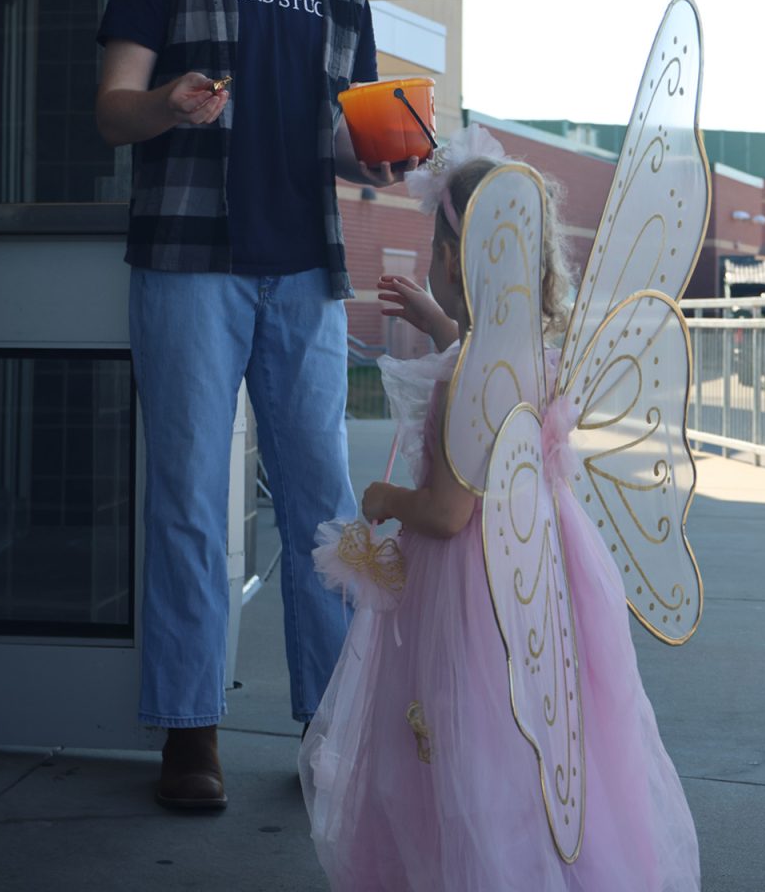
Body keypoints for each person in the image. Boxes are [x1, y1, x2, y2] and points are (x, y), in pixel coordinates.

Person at [96, 0, 416, 810]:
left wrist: (377, 157)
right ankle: (190, 734)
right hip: (188, 260)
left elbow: (339, 134)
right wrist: (168, 104)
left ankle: (328, 729)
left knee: (322, 508)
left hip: (302, 269)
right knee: (189, 500)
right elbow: (113, 109)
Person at [298, 128, 701, 890]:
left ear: (456, 259)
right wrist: (441, 327)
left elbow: (448, 513)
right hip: (543, 572)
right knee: (538, 742)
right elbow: (490, 383)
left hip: (470, 591)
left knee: (466, 738)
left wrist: (382, 498)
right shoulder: (534, 359)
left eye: (433, 250)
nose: (429, 264)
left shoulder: (462, 384)